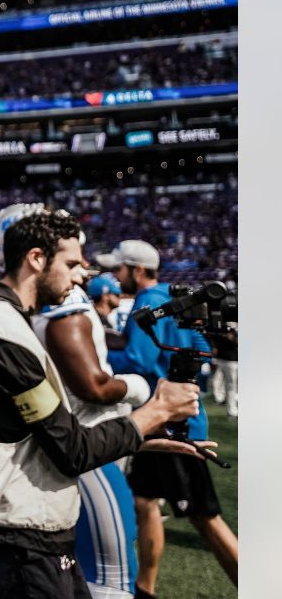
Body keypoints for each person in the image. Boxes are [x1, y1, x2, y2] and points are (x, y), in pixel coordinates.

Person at [0, 206, 205, 599]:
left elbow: (27, 433)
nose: (81, 272)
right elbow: (72, 450)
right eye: (71, 262)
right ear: (36, 258)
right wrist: (157, 409)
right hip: (20, 532)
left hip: (17, 525)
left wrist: (139, 437)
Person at [99, 240, 239, 596]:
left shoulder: (149, 302)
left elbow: (140, 359)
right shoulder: (172, 298)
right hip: (166, 419)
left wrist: (94, 360)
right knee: (144, 502)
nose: (115, 277)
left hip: (172, 423)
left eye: (119, 269)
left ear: (138, 270)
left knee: (205, 519)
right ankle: (144, 588)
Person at [33, 271, 154, 599]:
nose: (83, 268)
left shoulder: (15, 312)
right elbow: (93, 387)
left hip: (56, 449)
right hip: (87, 447)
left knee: (48, 573)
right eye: (71, 259)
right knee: (110, 577)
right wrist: (140, 390)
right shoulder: (63, 307)